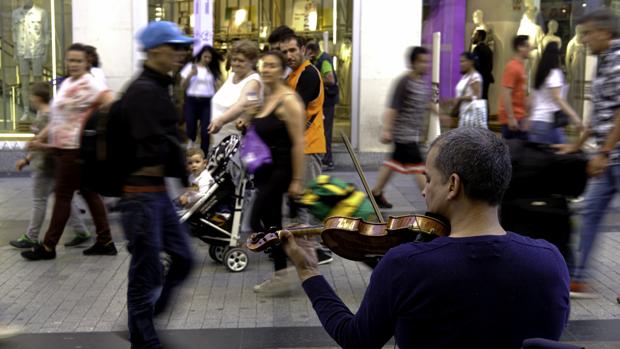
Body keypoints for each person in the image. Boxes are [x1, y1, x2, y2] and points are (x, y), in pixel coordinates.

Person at [281, 127, 570, 349]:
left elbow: (356, 340)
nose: (423, 190)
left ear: (453, 185)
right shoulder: (549, 262)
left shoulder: (406, 266)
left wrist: (308, 272)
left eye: (429, 179)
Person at [118, 21, 195, 349]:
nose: (180, 53)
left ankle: (144, 317)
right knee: (144, 278)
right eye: (173, 47)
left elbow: (167, 142)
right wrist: (184, 170)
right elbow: (159, 145)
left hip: (156, 195)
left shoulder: (159, 86)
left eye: (181, 47)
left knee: (184, 259)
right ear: (154, 50)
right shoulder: (143, 92)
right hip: (140, 197)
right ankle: (145, 340)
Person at [21, 43, 116, 260]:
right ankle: (105, 240)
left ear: (87, 62)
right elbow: (57, 118)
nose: (73, 64)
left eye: (78, 60)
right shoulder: (67, 83)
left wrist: (95, 124)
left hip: (74, 149)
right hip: (62, 148)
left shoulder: (91, 83)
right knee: (89, 191)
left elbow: (112, 104)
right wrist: (41, 138)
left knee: (63, 196)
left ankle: (48, 246)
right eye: (70, 60)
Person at [554, 9, 620, 297]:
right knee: (591, 211)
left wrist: (603, 152)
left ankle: (578, 275)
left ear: (606, 32)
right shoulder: (605, 61)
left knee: (591, 212)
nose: (584, 39)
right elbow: (599, 114)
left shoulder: (617, 60)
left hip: (614, 156)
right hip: (609, 157)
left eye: (589, 33)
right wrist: (578, 146)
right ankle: (578, 277)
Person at [240, 50, 306, 294]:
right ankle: (285, 272)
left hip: (281, 170)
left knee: (255, 220)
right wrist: (247, 119)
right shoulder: (265, 98)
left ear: (281, 70)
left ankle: (296, 262)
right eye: (263, 65)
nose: (266, 69)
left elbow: (299, 142)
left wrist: (297, 180)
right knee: (272, 223)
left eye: (271, 65)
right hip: (264, 170)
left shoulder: (289, 100)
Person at [10, 82, 90, 249]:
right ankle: (81, 231)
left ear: (38, 97)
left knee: (39, 201)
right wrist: (27, 159)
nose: (30, 98)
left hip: (44, 165)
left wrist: (28, 158)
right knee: (64, 200)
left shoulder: (45, 116)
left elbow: (41, 142)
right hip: (55, 164)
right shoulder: (49, 114)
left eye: (32, 95)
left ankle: (31, 236)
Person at [280, 33, 332, 264]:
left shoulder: (309, 73)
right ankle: (304, 246)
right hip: (299, 146)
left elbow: (294, 108)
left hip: (309, 146)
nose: (288, 55)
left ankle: (317, 251)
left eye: (292, 50)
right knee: (299, 199)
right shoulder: (293, 74)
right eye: (284, 52)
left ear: (304, 49)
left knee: (307, 199)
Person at [370, 47, 434, 209]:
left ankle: (376, 193)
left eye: (427, 61)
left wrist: (436, 111)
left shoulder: (420, 84)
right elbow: (393, 108)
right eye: (422, 61)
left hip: (413, 134)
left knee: (393, 163)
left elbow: (424, 104)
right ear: (413, 63)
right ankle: (433, 204)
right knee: (419, 168)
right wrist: (387, 129)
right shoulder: (404, 82)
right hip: (404, 135)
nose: (426, 65)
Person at [207, 40, 262, 146]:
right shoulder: (232, 75)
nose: (236, 63)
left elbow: (243, 104)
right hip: (219, 140)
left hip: (237, 144)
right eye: (234, 60)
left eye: (241, 61)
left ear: (252, 62)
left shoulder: (253, 82)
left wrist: (221, 120)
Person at [528, 42, 583, 144]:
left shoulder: (539, 74)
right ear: (556, 57)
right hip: (548, 122)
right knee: (560, 154)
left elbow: (531, 99)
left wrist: (528, 117)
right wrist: (574, 116)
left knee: (536, 157)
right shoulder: (554, 74)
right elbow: (558, 98)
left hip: (535, 122)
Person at [180, 45, 222, 154]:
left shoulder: (212, 70)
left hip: (207, 102)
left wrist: (216, 82)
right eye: (205, 57)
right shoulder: (191, 67)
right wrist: (190, 75)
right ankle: (191, 152)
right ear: (200, 55)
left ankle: (204, 154)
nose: (207, 59)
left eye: (209, 58)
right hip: (192, 101)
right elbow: (182, 85)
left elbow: (218, 88)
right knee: (191, 128)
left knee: (205, 131)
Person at [306, 41, 339, 171]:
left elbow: (330, 79)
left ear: (312, 52)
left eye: (308, 52)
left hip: (328, 102)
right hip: (325, 101)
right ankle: (326, 158)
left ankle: (328, 160)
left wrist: (316, 79)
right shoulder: (319, 60)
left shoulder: (324, 61)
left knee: (326, 130)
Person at [499, 35, 531, 140]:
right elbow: (506, 93)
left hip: (520, 117)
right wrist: (511, 117)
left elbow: (522, 94)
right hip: (512, 120)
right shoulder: (512, 67)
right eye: (527, 46)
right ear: (519, 48)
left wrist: (526, 115)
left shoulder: (520, 66)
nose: (529, 48)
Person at [453, 52, 484, 127]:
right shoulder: (465, 77)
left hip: (471, 117)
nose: (461, 64)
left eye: (463, 61)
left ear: (471, 62)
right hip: (464, 115)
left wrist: (461, 98)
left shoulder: (475, 77)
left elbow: (477, 96)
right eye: (460, 61)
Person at [472, 30, 494, 100]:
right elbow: (490, 66)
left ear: (480, 37)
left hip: (479, 78)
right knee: (484, 97)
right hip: (486, 78)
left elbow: (475, 65)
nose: (473, 37)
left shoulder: (477, 49)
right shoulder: (488, 49)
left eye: (475, 35)